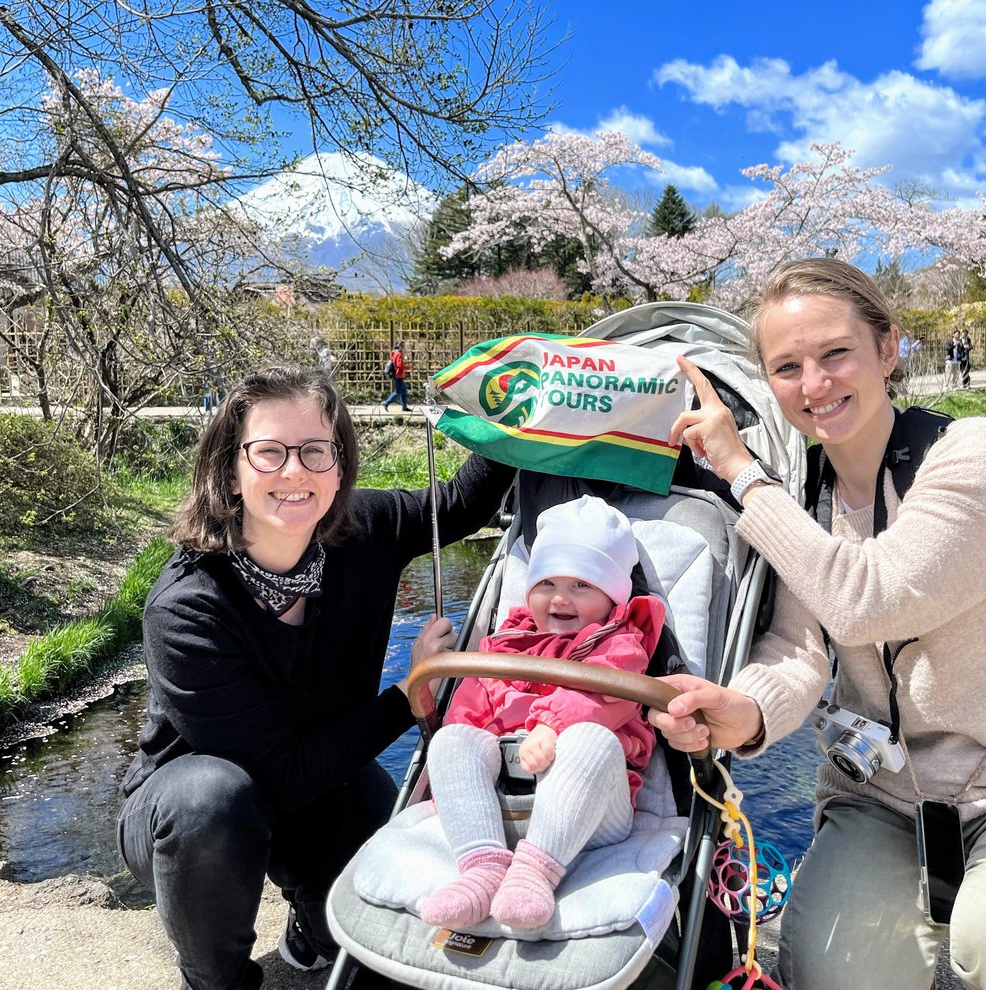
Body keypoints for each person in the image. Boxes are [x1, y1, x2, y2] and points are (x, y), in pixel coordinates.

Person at [658, 258, 986, 990]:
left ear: (887, 351)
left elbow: (870, 598)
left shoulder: (985, 456)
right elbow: (798, 646)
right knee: (831, 972)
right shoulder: (804, 500)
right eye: (788, 367)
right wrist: (751, 711)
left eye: (835, 354)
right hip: (882, 795)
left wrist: (742, 473)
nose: (815, 385)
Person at [117, 366, 515, 990]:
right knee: (216, 799)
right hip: (195, 811)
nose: (294, 471)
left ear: (340, 464)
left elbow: (462, 505)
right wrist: (407, 699)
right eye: (268, 452)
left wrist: (520, 408)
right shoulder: (187, 609)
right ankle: (216, 980)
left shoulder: (363, 530)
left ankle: (313, 932)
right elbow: (279, 774)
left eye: (314, 451)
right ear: (230, 469)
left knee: (390, 913)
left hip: (323, 782)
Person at [417, 495, 662, 932]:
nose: (561, 598)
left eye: (582, 585)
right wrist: (458, 775)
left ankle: (535, 872)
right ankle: (484, 867)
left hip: (593, 811)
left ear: (613, 596)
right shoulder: (504, 644)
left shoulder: (620, 644)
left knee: (591, 740)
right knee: (452, 737)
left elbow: (607, 698)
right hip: (504, 801)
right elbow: (472, 710)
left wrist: (552, 724)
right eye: (546, 584)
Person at [381, 341, 411, 411]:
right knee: (398, 392)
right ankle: (386, 402)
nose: (404, 348)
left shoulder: (395, 354)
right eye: (403, 346)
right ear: (400, 347)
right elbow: (399, 365)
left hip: (398, 375)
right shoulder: (399, 354)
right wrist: (408, 367)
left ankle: (404, 407)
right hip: (399, 375)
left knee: (404, 391)